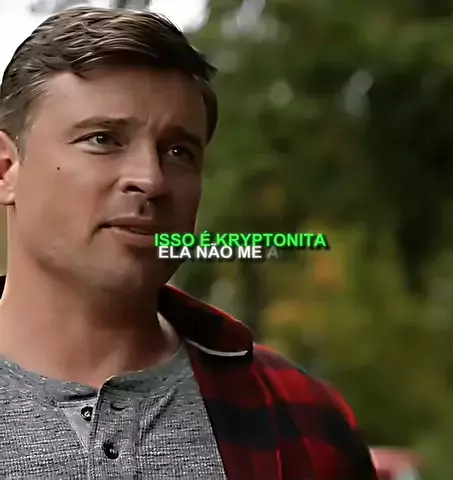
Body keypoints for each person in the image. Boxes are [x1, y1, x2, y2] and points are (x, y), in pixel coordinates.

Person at [0, 7, 377, 480]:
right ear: (7, 170)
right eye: (103, 139)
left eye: (178, 151)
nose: (151, 179)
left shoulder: (305, 424)